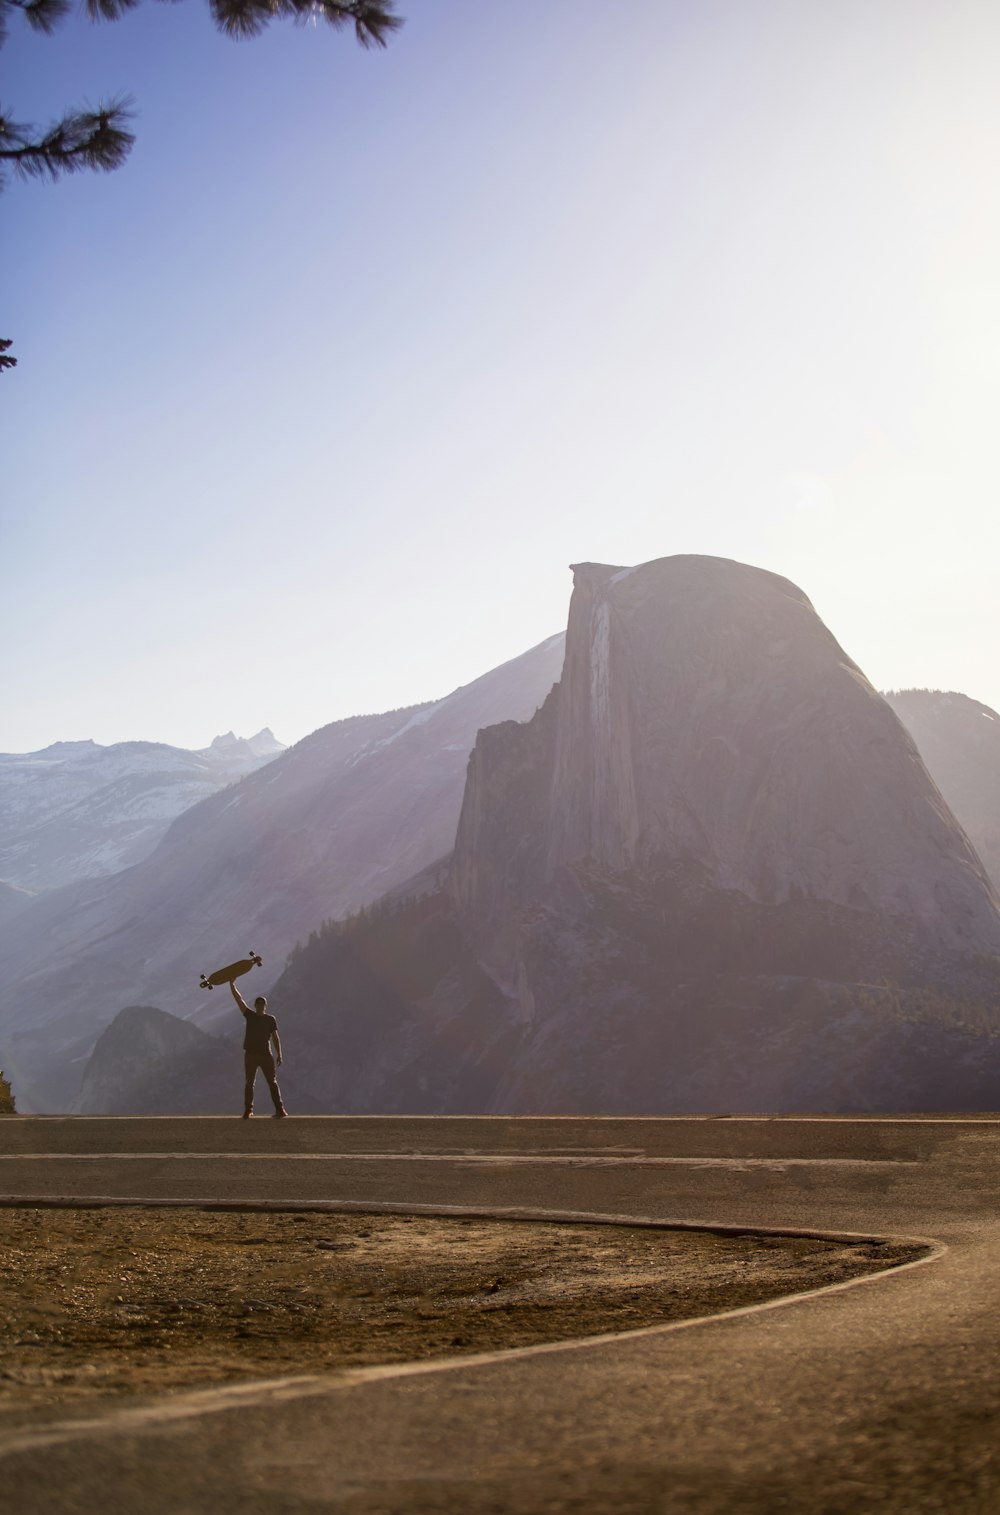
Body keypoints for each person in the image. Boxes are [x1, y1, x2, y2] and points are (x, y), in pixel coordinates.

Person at [230, 979, 288, 1118]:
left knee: (270, 1083)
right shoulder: (250, 1016)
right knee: (251, 1083)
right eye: (259, 1004)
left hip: (264, 1055)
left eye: (262, 1004)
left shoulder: (270, 1019)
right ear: (256, 1005)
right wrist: (232, 985)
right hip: (251, 1055)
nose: (261, 1006)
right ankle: (248, 1110)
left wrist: (279, 1053)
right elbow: (239, 999)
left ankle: (279, 1110)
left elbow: (275, 1037)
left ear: (265, 1006)